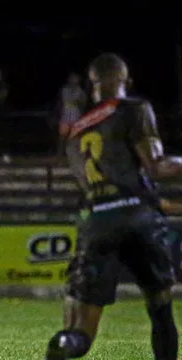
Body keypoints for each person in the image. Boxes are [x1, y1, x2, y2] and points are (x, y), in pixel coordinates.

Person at [45, 53, 181, 360]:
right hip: (139, 217)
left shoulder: (75, 132)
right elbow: (156, 167)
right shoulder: (135, 108)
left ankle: (64, 345)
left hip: (98, 222)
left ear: (93, 87)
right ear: (125, 81)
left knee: (80, 333)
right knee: (160, 308)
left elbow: (89, 187)